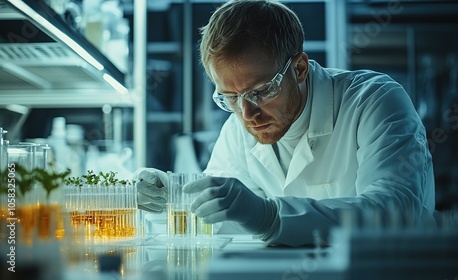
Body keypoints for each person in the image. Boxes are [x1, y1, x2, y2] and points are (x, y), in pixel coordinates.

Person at [134, 0, 436, 247]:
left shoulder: (374, 100)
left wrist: (272, 218)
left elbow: (396, 211)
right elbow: (221, 215)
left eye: (261, 91)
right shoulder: (238, 131)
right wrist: (173, 196)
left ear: (300, 68)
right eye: (229, 97)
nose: (247, 113)